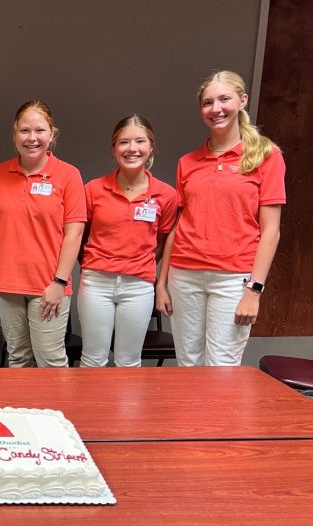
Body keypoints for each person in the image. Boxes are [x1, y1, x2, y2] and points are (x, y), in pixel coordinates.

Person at [156, 70, 285, 366]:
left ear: (242, 100)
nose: (216, 109)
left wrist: (255, 290)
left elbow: (271, 231)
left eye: (224, 99)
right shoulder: (187, 163)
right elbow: (178, 226)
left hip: (232, 279)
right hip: (184, 276)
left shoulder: (266, 156)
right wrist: (161, 283)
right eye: (207, 103)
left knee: (221, 368)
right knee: (188, 364)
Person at [0, 100, 86, 367]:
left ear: (52, 135)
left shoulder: (68, 175)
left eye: (39, 131)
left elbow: (74, 234)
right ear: (14, 134)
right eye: (24, 131)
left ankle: (57, 411)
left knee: (50, 360)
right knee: (18, 358)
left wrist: (60, 283)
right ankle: (24, 411)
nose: (32, 138)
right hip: (6, 283)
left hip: (48, 285)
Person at [78, 115, 177, 367]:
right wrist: (95, 261)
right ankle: (92, 408)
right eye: (124, 142)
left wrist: (136, 262)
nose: (132, 149)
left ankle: (124, 409)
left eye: (140, 141)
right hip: (96, 283)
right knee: (93, 358)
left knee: (129, 361)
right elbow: (79, 235)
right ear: (113, 149)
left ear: (151, 147)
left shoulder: (166, 195)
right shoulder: (93, 190)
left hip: (139, 286)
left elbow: (163, 241)